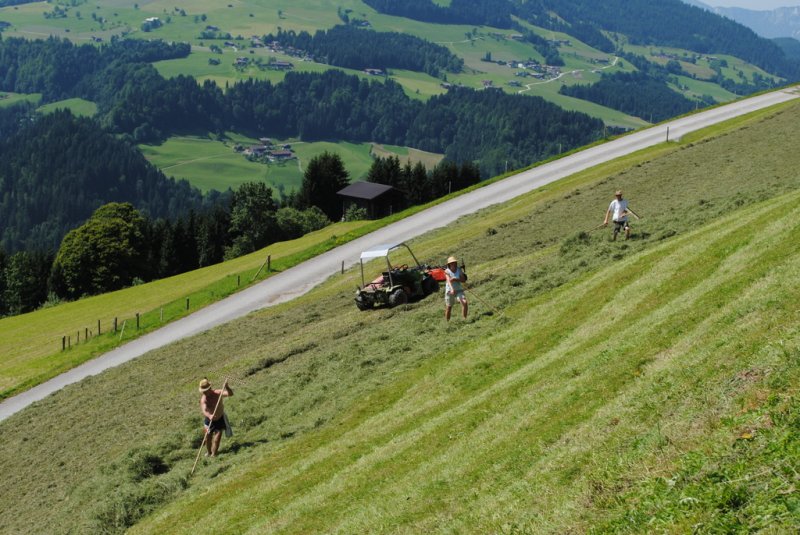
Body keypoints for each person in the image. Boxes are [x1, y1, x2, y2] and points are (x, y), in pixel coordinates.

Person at [198, 378, 233, 457]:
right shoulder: (203, 399)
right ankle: (209, 452)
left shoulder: (218, 393)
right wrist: (209, 415)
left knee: (217, 438)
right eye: (203, 391)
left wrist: (227, 387)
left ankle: (214, 455)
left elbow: (230, 394)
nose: (204, 392)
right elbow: (204, 410)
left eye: (205, 391)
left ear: (209, 389)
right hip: (209, 420)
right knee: (208, 438)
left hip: (219, 419)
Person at [444, 256, 468, 321]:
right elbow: (448, 281)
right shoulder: (447, 271)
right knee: (449, 307)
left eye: (454, 262)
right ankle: (447, 322)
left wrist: (456, 279)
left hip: (459, 289)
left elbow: (463, 280)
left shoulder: (459, 270)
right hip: (450, 291)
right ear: (449, 264)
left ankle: (464, 319)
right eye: (452, 263)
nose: (453, 264)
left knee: (464, 303)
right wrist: (452, 289)